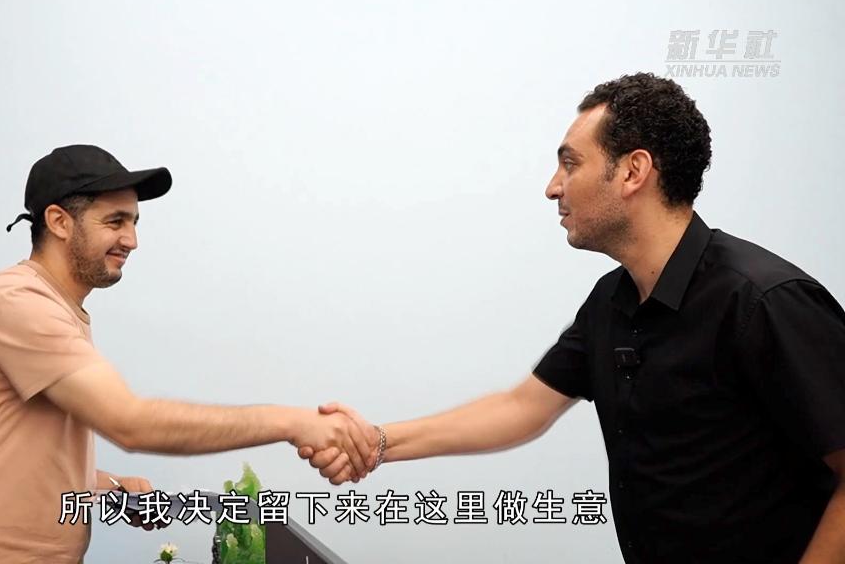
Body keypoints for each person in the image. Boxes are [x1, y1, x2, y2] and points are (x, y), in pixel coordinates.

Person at [302, 73, 845, 563]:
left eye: (571, 163)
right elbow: (522, 408)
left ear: (632, 171)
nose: (553, 187)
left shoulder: (764, 300)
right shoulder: (611, 301)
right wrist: (377, 442)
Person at [0, 145, 373, 563]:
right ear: (59, 222)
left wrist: (105, 486)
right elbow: (131, 423)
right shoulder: (17, 302)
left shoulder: (58, 310)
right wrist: (292, 422)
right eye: (115, 222)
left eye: (134, 222)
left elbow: (12, 454)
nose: (132, 240)